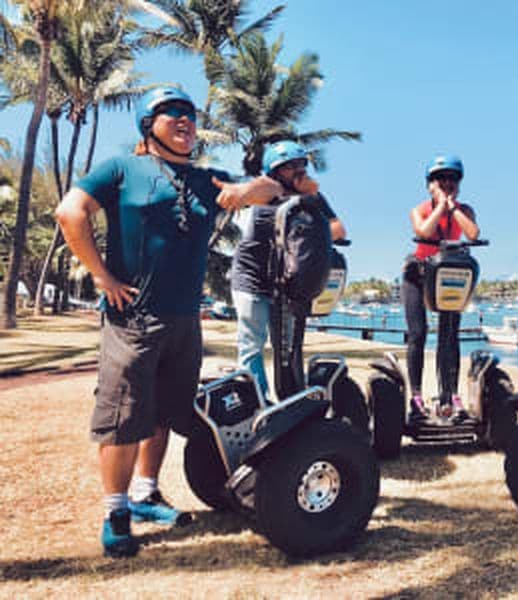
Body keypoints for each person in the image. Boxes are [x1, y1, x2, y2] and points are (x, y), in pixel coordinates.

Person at [56, 86, 286, 558]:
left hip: (184, 319)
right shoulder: (122, 169)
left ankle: (146, 493)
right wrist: (101, 276)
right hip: (133, 319)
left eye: (190, 113)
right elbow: (69, 212)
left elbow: (273, 189)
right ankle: (116, 512)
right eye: (171, 112)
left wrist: (244, 191)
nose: (184, 120)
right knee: (123, 417)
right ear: (148, 124)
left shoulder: (205, 179)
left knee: (163, 413)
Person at [229, 140, 346, 398]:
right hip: (251, 277)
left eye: (302, 164)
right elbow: (286, 221)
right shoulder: (266, 195)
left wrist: (312, 203)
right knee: (252, 342)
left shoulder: (310, 198)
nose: (299, 171)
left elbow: (338, 230)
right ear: (275, 171)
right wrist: (311, 210)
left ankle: (291, 398)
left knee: (288, 345)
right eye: (290, 166)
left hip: (285, 282)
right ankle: (257, 401)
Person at [403, 154, 480, 421]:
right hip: (418, 273)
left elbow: (473, 234)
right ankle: (416, 397)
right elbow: (424, 232)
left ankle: (450, 396)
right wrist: (439, 207)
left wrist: (453, 208)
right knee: (418, 334)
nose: (447, 184)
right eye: (440, 180)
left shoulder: (465, 210)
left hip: (447, 272)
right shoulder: (419, 209)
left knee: (449, 335)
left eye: (452, 180)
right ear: (430, 185)